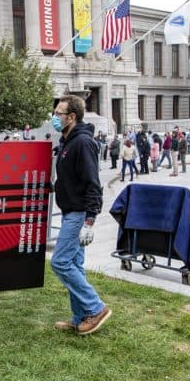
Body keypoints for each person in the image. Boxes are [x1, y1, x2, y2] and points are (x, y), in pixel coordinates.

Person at [50, 95, 111, 335]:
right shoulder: (67, 141)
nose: (55, 117)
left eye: (58, 114)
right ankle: (80, 317)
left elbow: (93, 184)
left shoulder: (82, 142)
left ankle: (96, 308)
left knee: (60, 262)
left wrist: (89, 221)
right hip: (69, 211)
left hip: (78, 214)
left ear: (71, 117)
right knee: (74, 263)